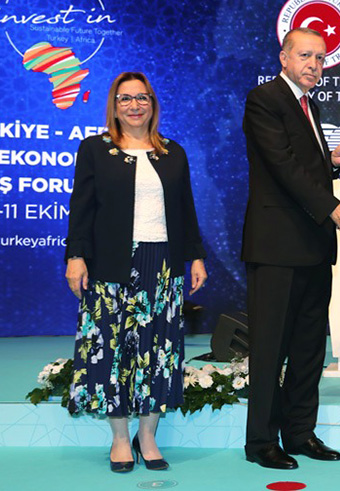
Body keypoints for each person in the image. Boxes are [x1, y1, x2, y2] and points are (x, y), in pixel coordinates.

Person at [64, 72, 208, 473]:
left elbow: (186, 209)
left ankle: (149, 436)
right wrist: (75, 256)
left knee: (157, 351)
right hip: (109, 263)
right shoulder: (95, 150)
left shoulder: (173, 152)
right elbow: (82, 209)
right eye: (125, 99)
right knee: (111, 351)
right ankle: (120, 439)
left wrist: (195, 255)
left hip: (162, 263)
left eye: (141, 98)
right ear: (114, 105)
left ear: (152, 104)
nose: (134, 105)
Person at [241, 27, 340, 470]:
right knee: (270, 349)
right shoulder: (266, 100)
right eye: (306, 56)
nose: (314, 64)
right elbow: (283, 167)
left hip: (313, 247)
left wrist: (331, 162)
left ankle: (299, 433)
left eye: (321, 57)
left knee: (310, 348)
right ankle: (261, 441)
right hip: (276, 247)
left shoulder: (310, 104)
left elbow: (304, 166)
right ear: (284, 57)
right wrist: (334, 208)